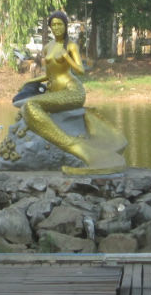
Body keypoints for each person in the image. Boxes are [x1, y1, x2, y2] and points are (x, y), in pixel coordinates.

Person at [17, 10, 126, 173]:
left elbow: (81, 71)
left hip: (72, 90)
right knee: (26, 106)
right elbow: (49, 75)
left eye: (60, 24)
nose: (56, 28)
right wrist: (29, 82)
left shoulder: (71, 46)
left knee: (31, 106)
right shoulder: (48, 47)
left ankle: (74, 146)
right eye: (53, 25)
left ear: (65, 26)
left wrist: (67, 57)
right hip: (54, 91)